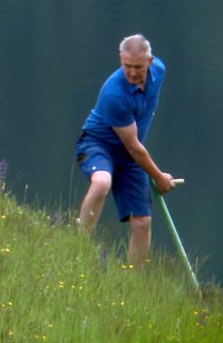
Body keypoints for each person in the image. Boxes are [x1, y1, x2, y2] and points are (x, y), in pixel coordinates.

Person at [75, 34, 177, 266]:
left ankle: (133, 281)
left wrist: (156, 176)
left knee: (142, 222)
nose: (131, 72)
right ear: (120, 60)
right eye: (126, 66)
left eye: (138, 67)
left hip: (130, 155)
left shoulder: (159, 70)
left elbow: (132, 150)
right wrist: (159, 177)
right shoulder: (115, 94)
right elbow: (132, 146)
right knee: (101, 182)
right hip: (97, 144)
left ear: (150, 62)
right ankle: (77, 247)